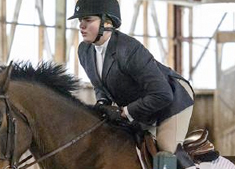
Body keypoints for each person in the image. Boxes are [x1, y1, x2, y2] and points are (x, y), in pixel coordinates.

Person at [69, 0, 195, 153]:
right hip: (143, 104)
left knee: (166, 149)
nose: (81, 26)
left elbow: (163, 94)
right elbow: (100, 84)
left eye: (88, 20)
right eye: (80, 20)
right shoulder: (84, 51)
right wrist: (102, 102)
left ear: (107, 22)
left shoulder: (128, 49)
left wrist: (125, 112)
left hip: (173, 98)